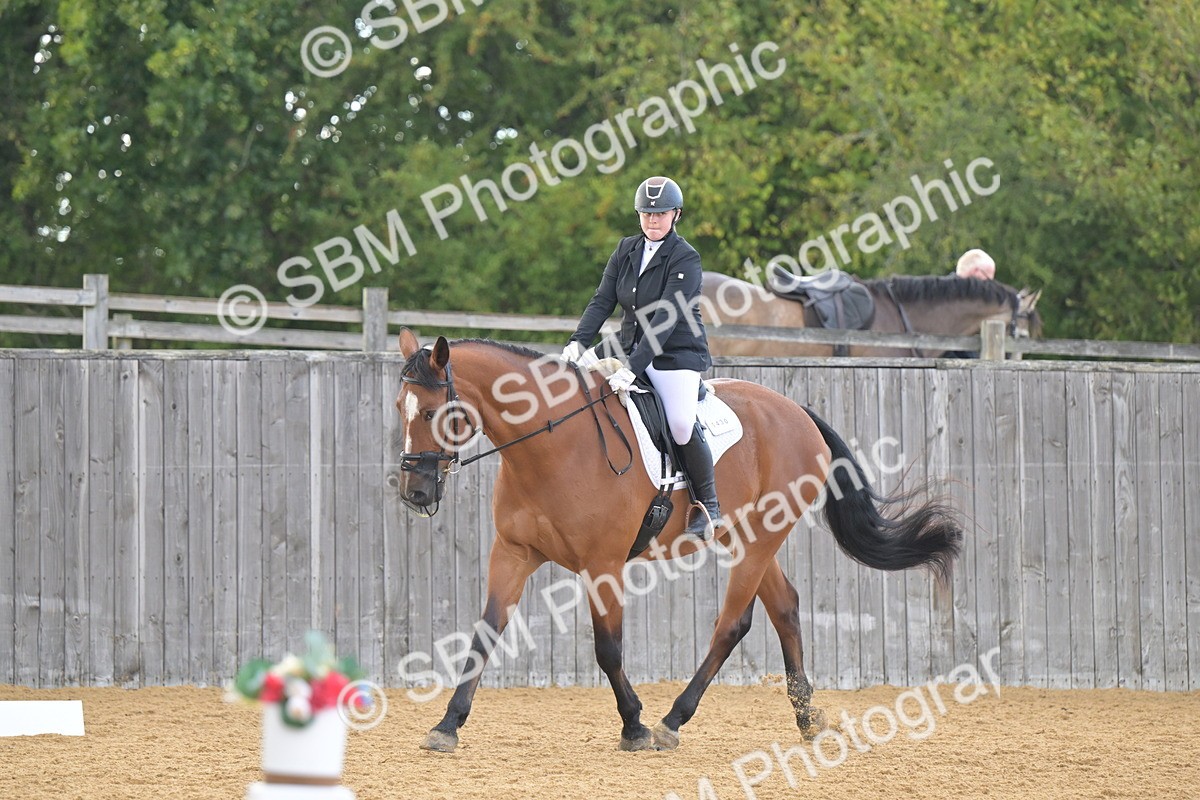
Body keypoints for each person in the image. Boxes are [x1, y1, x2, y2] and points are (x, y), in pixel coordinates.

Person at [562, 176, 722, 540]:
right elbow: (603, 300)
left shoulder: (685, 257)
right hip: (629, 342)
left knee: (681, 423)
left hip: (675, 352)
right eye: (647, 213)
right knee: (575, 387)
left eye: (661, 214)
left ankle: (709, 505)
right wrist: (579, 342)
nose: (653, 220)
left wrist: (632, 368)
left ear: (675, 215)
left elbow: (665, 319)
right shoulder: (625, 250)